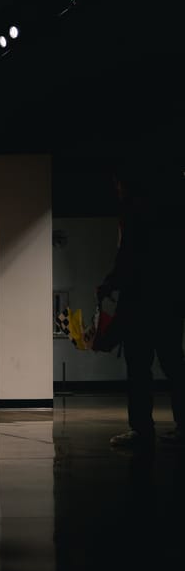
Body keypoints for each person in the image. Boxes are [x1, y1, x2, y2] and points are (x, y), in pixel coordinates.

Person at [101, 161, 185, 450]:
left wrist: (110, 283)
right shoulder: (169, 215)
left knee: (139, 368)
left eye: (118, 184)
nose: (117, 189)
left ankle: (141, 430)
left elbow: (129, 257)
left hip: (141, 303)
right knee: (174, 365)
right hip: (170, 302)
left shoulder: (135, 213)